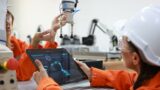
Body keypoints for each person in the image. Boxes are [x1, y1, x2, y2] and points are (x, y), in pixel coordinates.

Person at [33, 5, 160, 90]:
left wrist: (46, 84)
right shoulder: (151, 77)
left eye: (123, 44)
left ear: (135, 58)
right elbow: (130, 79)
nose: (120, 49)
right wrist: (91, 74)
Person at [6, 10, 67, 81]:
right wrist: (34, 43)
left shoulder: (18, 44)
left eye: (9, 23)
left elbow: (41, 62)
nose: (7, 22)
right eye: (4, 20)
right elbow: (19, 75)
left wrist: (53, 32)